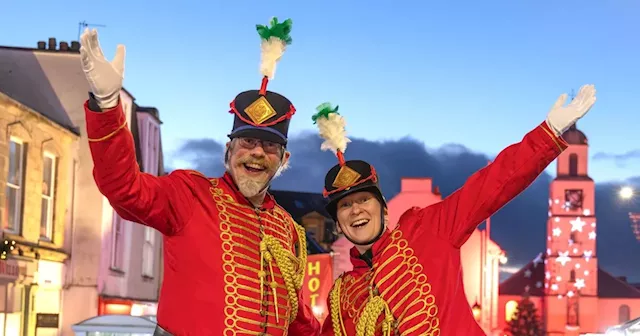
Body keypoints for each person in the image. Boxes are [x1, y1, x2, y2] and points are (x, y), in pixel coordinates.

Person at [78, 17, 321, 336]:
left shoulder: (288, 228)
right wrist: (108, 106)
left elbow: (298, 317)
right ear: (228, 151)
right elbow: (124, 189)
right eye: (247, 142)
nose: (257, 153)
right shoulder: (190, 194)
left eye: (269, 145)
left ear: (283, 160)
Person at [313, 85, 596, 336]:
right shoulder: (342, 297)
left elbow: (492, 185)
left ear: (383, 208)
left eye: (364, 199)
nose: (356, 210)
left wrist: (547, 134)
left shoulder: (428, 229)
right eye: (345, 206)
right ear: (338, 223)